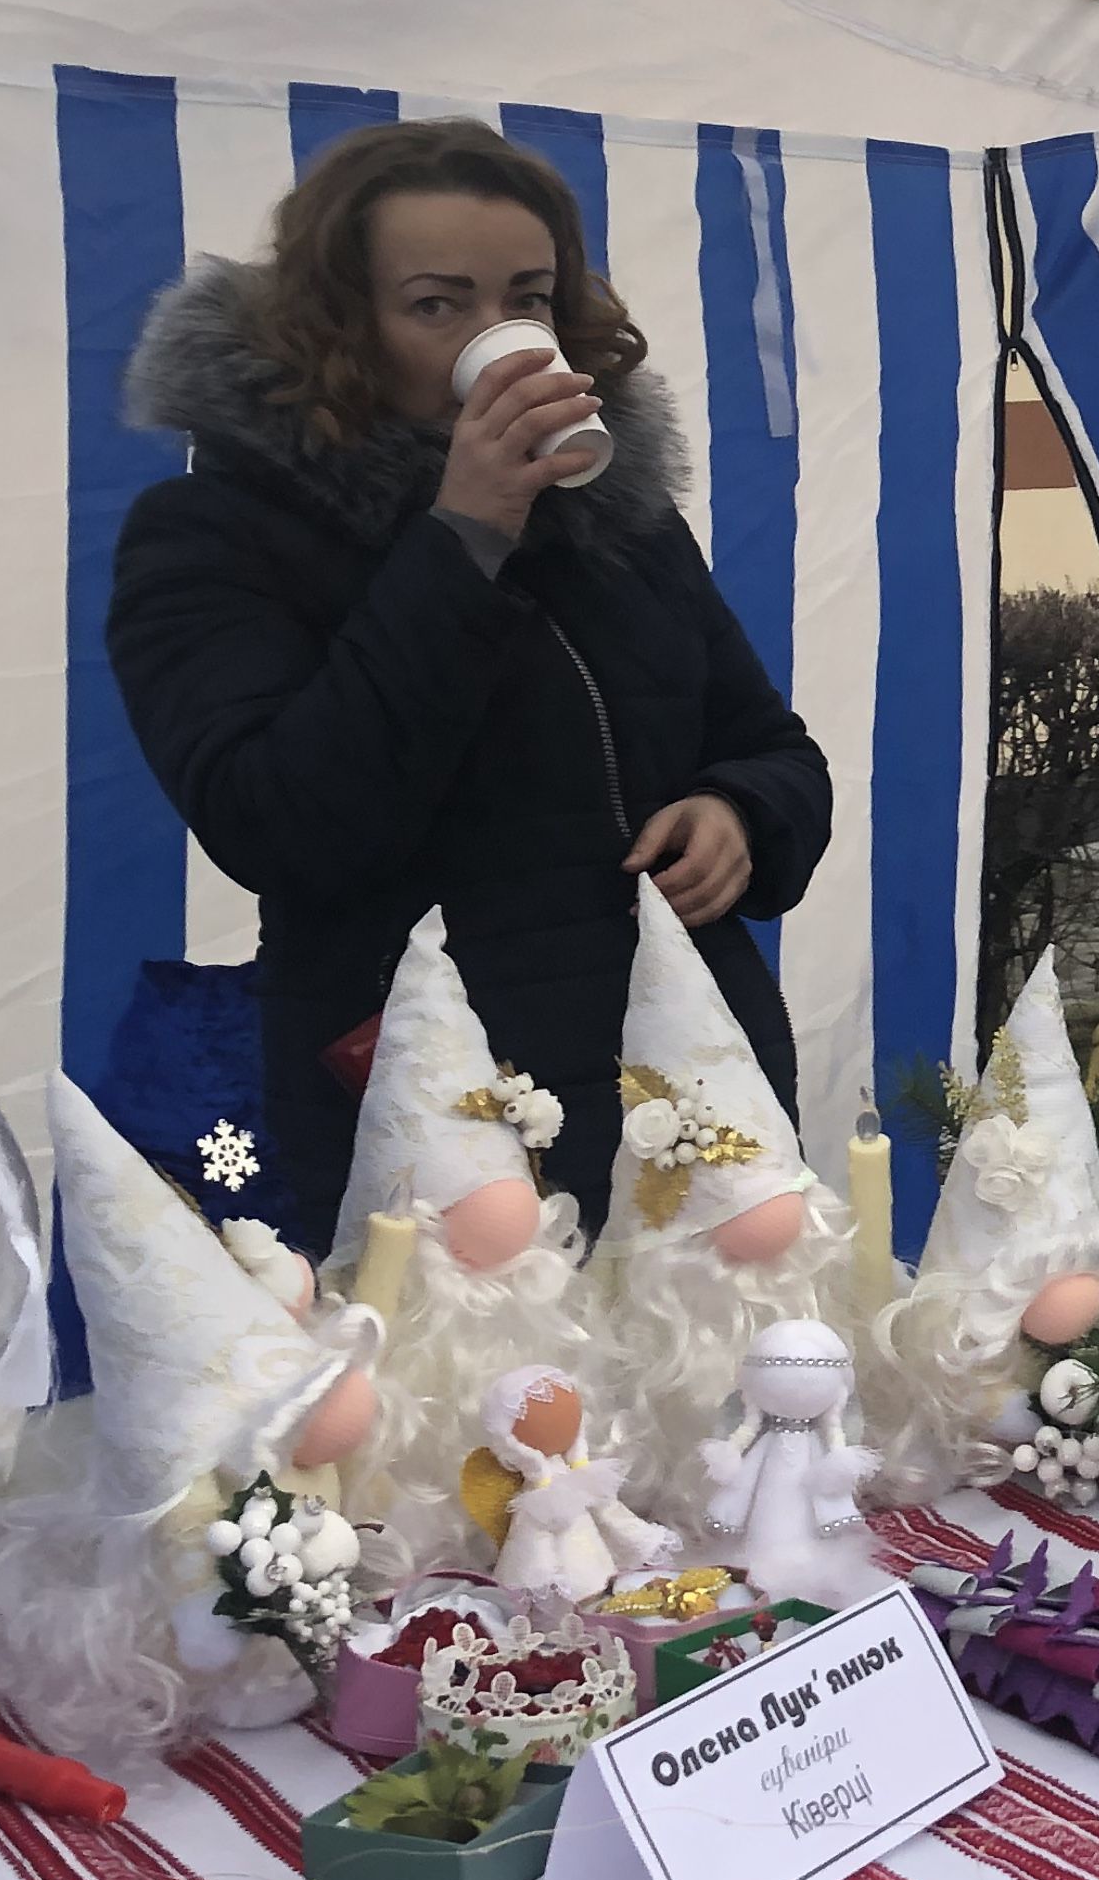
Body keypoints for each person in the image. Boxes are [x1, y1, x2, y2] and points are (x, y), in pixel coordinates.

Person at [109, 118, 832, 1251]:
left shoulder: (620, 522)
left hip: (690, 1089)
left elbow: (774, 746)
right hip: (442, 1123)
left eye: (527, 298)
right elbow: (280, 822)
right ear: (343, 322)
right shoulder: (216, 531)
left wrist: (741, 812)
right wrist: (462, 538)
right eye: (438, 304)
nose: (498, 337)